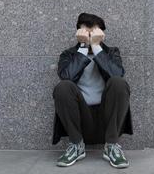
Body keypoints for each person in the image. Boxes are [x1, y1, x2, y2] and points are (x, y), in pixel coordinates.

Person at [52, 12, 134, 168]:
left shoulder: (112, 53)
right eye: (85, 33)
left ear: (102, 34)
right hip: (80, 120)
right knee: (63, 86)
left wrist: (96, 47)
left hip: (108, 120)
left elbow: (117, 74)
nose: (89, 37)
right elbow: (67, 77)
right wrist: (83, 47)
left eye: (93, 33)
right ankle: (76, 145)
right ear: (78, 34)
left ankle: (111, 146)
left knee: (118, 82)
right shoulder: (68, 55)